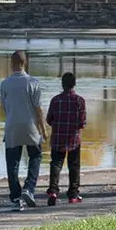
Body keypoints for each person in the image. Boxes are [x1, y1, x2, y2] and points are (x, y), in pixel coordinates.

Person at [0, 51, 48, 209]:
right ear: (25, 63)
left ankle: (15, 198)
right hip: (30, 126)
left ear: (11, 63)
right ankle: (29, 188)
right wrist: (43, 129)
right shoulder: (33, 82)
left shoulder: (5, 83)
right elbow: (38, 109)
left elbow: (5, 108)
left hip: (12, 126)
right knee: (35, 156)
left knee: (12, 163)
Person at [46, 72, 86, 205]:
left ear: (62, 84)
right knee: (74, 165)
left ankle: (53, 191)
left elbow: (49, 119)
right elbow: (82, 122)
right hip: (74, 139)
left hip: (58, 137)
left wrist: (57, 126)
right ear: (74, 84)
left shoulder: (55, 100)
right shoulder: (80, 101)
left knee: (56, 163)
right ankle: (73, 195)